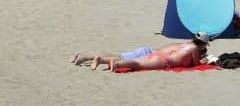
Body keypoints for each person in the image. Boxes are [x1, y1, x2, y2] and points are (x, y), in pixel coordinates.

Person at [79, 32, 210, 72]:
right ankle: (114, 64)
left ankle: (99, 59)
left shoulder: (184, 44)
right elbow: (197, 63)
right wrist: (203, 59)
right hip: (160, 58)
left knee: (122, 56)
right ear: (203, 44)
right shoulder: (193, 49)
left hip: (158, 54)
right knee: (135, 63)